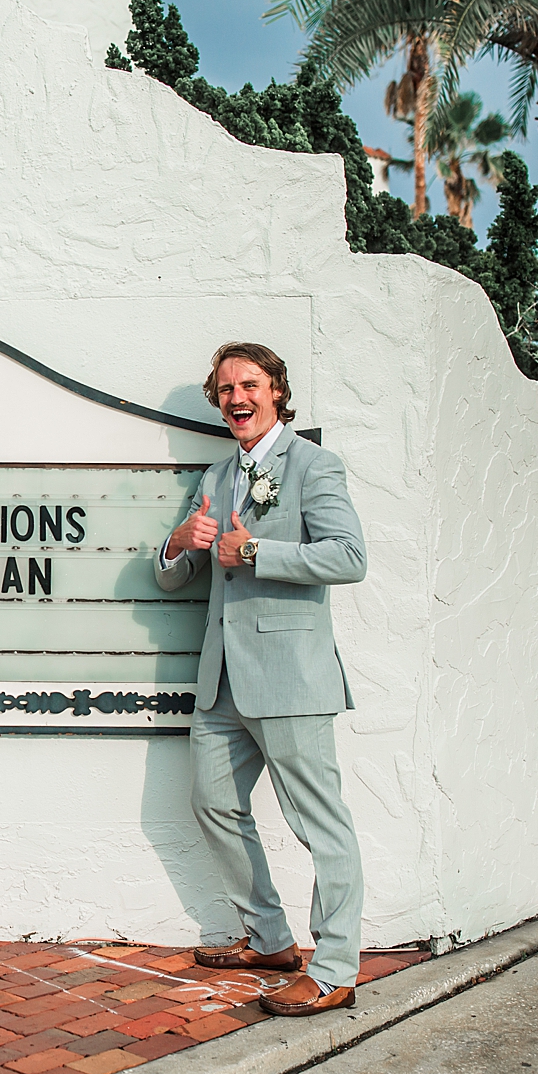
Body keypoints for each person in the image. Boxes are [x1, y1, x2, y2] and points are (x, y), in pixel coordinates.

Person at [153, 341, 367, 1017]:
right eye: (224, 388)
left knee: (321, 826)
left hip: (290, 680)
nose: (236, 397)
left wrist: (258, 551)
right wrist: (178, 541)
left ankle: (333, 967)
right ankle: (271, 937)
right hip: (221, 684)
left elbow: (349, 555)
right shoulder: (216, 476)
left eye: (249, 384)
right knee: (212, 802)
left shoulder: (313, 465)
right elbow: (171, 574)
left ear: (276, 390)